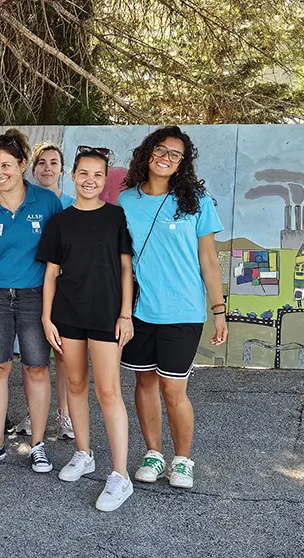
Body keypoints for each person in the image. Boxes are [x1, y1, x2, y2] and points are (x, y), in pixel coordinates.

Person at [118, 126, 226, 490]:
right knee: (144, 381)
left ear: (182, 163)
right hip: (141, 309)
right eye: (160, 150)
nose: (166, 157)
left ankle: (182, 460)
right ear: (148, 153)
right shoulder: (127, 201)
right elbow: (122, 258)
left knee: (173, 389)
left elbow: (209, 260)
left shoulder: (196, 200)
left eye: (175, 154)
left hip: (183, 310)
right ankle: (153, 453)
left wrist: (219, 309)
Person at [39, 146, 135, 512]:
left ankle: (120, 475)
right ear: (72, 176)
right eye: (83, 173)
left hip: (107, 315)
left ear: (104, 178)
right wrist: (47, 318)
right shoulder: (59, 222)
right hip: (67, 315)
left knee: (109, 392)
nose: (90, 180)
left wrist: (125, 314)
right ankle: (83, 453)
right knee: (76, 385)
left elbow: (126, 269)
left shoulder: (116, 218)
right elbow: (50, 274)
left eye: (97, 174)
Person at [0, 129, 61, 472]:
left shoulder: (47, 203)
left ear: (22, 165)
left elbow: (58, 259)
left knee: (36, 368)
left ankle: (37, 444)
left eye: (6, 164)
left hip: (36, 297)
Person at [14, 142, 77, 440]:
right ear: (32, 168)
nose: (48, 168)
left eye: (54, 162)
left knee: (63, 355)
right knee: (33, 357)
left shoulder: (73, 204)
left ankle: (64, 414)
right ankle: (32, 412)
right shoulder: (23, 200)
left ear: (63, 170)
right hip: (32, 288)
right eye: (42, 163)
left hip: (65, 290)